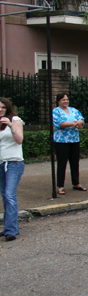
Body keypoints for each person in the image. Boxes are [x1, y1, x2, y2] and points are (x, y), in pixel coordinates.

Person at [0, 98, 25, 242]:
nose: (0, 110)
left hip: (13, 163)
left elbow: (19, 139)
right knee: (5, 195)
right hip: (1, 163)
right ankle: (9, 227)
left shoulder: (15, 120)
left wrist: (10, 125)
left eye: (3, 107)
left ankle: (11, 230)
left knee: (10, 195)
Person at [52, 93, 86, 195]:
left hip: (74, 139)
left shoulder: (74, 110)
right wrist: (74, 123)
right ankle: (60, 185)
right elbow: (59, 124)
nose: (65, 101)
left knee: (75, 162)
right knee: (62, 163)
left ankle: (76, 183)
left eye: (67, 99)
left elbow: (82, 120)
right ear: (58, 101)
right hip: (61, 141)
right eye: (63, 100)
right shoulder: (56, 111)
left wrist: (79, 123)